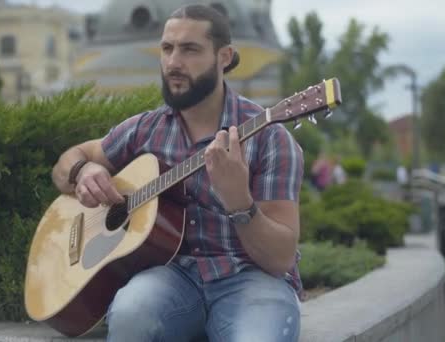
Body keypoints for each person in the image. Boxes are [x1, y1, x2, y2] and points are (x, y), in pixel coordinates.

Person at [52, 5, 303, 342]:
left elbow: (280, 258)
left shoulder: (269, 137)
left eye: (190, 49)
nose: (173, 63)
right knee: (130, 315)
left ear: (224, 57)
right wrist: (84, 170)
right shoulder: (145, 130)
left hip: (252, 280)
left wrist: (240, 203)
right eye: (167, 49)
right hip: (170, 279)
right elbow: (66, 163)